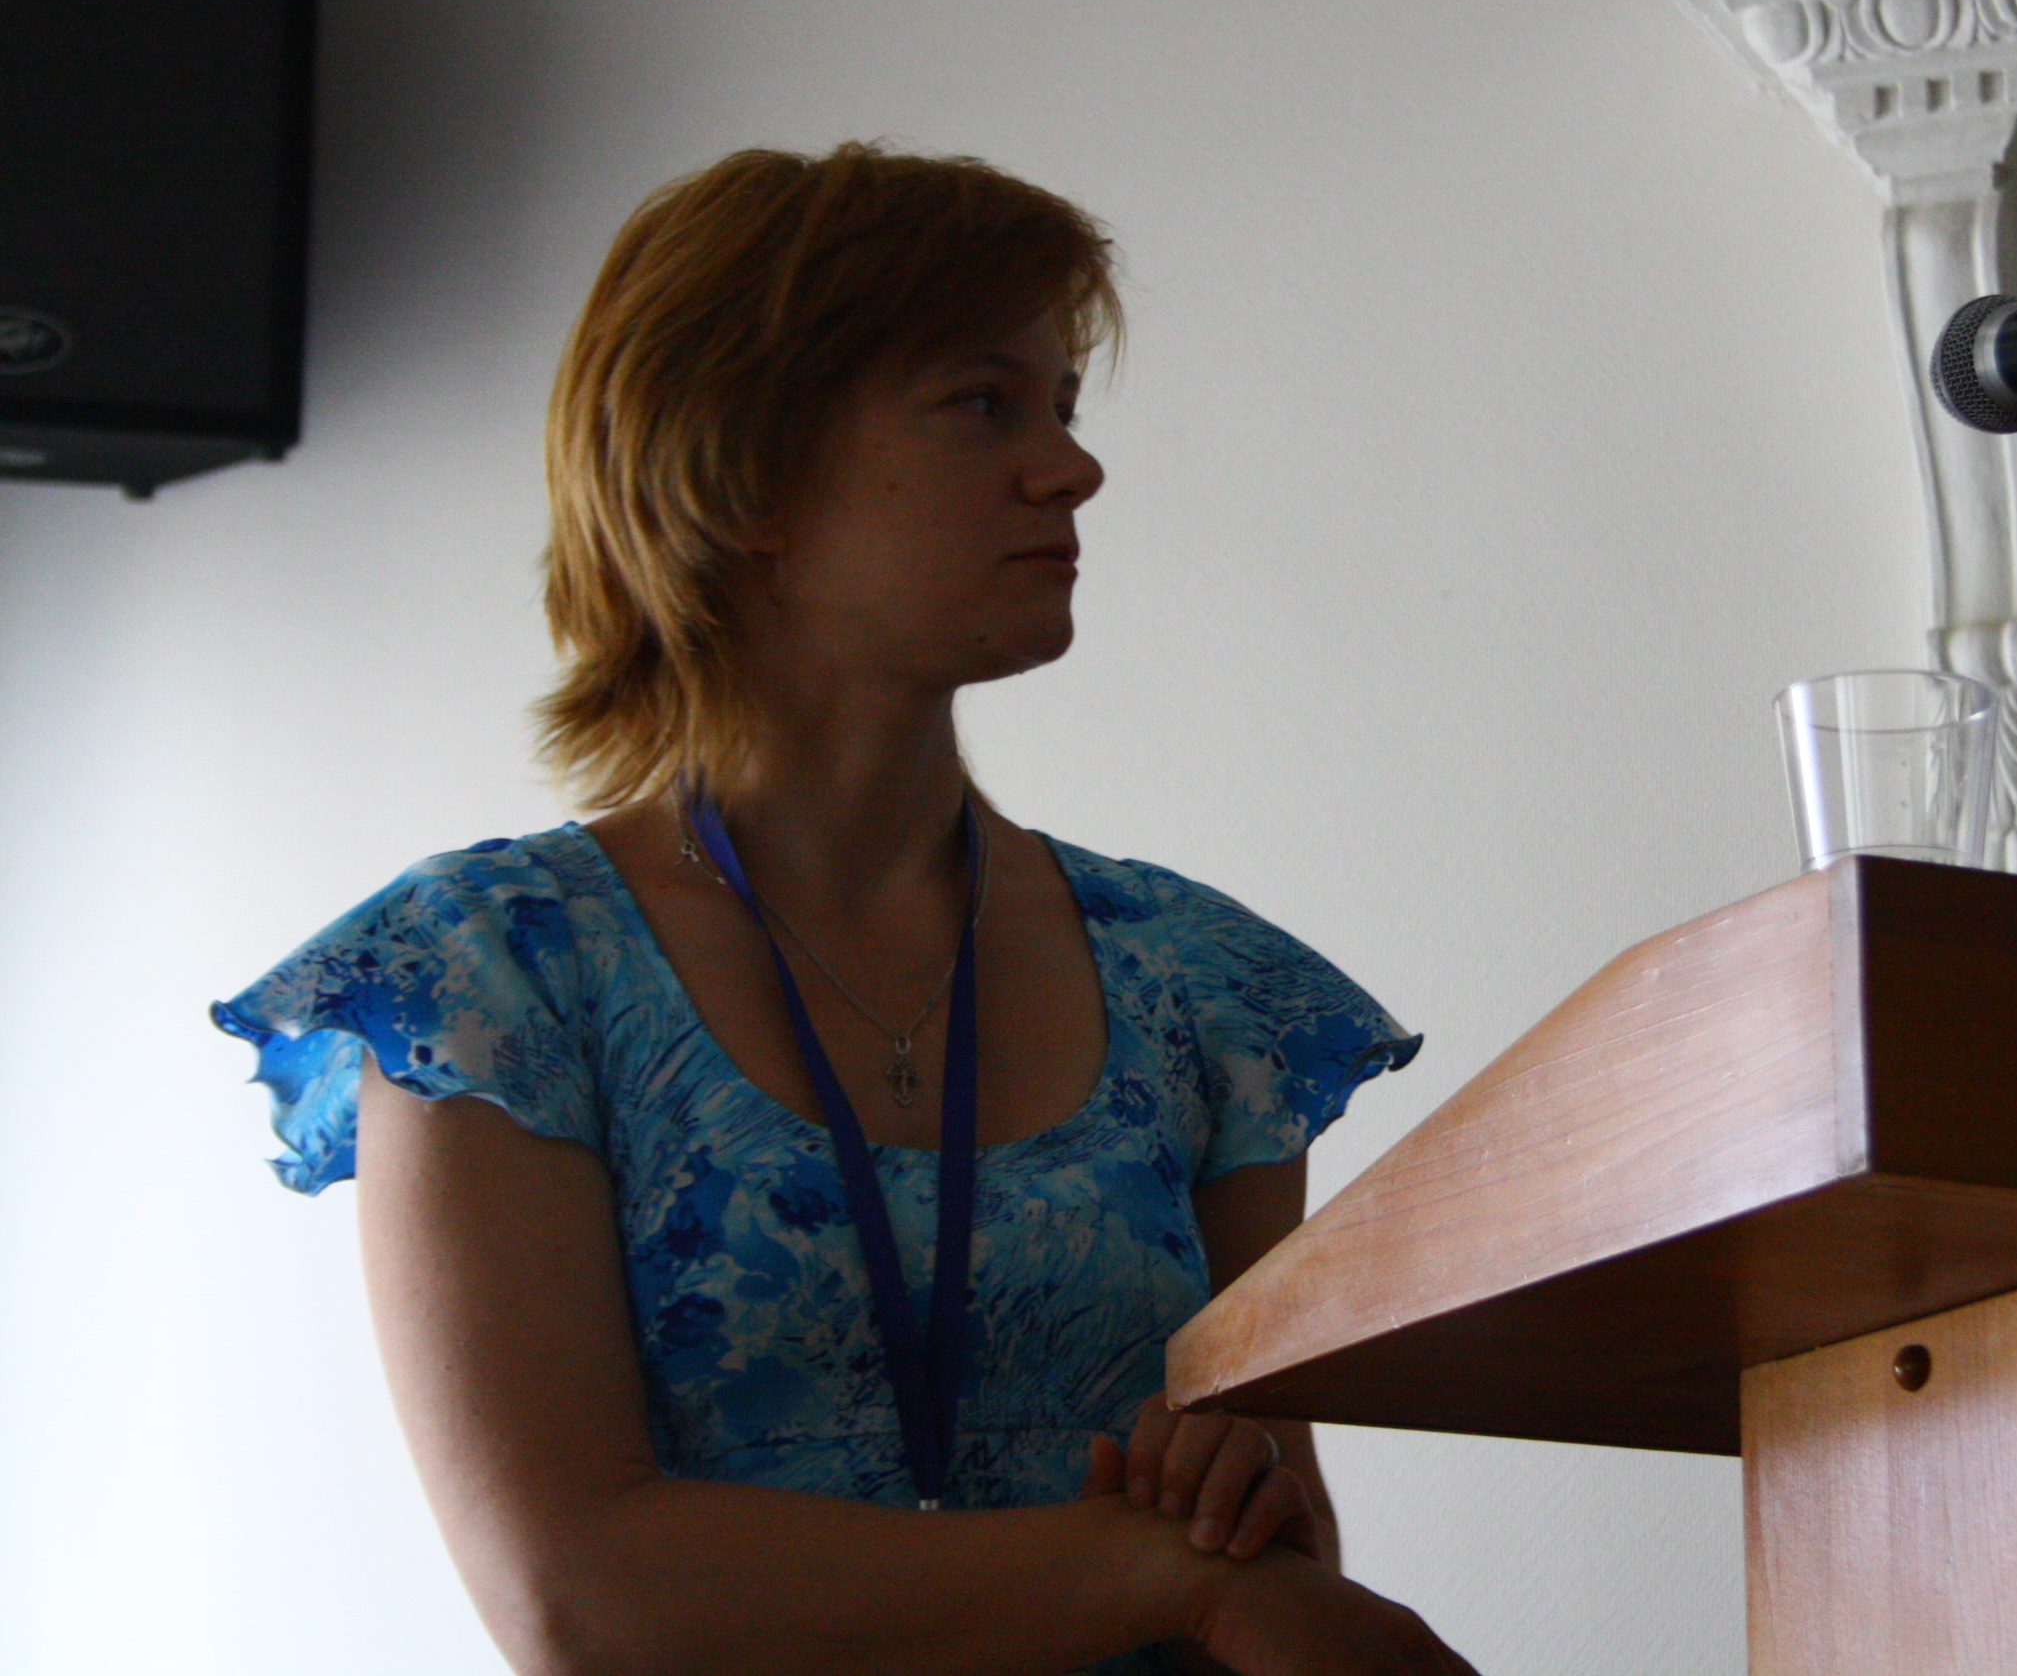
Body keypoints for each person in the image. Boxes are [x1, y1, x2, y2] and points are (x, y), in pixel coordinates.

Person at [213, 144, 1479, 1676]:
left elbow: (1288, 1575)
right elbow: (581, 1599)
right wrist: (1154, 1570)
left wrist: (1228, 1526)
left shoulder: (1209, 989)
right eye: (984, 404)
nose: (1072, 470)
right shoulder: (490, 978)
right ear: (742, 475)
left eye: (1065, 408)